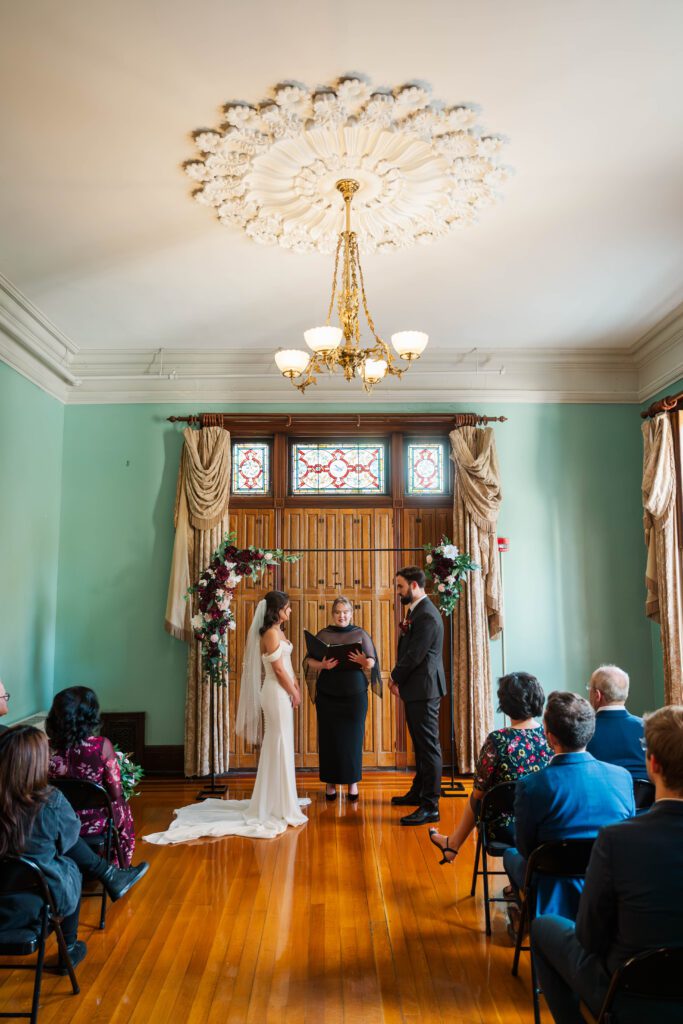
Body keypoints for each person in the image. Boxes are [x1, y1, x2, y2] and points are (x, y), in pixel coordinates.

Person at [532, 705, 683, 1024]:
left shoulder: (617, 840)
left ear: (652, 763)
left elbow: (588, 938)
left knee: (544, 927)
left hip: (630, 996)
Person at [144, 591, 310, 844]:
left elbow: (286, 665)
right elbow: (277, 669)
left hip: (283, 692)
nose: (290, 612)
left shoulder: (280, 631)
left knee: (282, 742)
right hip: (275, 693)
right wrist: (293, 692)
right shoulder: (271, 633)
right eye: (287, 608)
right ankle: (274, 803)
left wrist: (296, 687)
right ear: (276, 611)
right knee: (277, 742)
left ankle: (279, 798)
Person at [0, 726, 148, 973]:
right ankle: (67, 950)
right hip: (34, 907)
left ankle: (110, 875)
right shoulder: (49, 801)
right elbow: (69, 838)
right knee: (69, 865)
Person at [503, 691, 634, 925]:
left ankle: (526, 912)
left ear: (550, 737)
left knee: (510, 854)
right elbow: (626, 834)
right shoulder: (622, 777)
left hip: (551, 878)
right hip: (606, 876)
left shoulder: (531, 786)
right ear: (590, 731)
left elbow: (525, 848)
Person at [428, 671, 552, 863]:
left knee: (478, 795)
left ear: (505, 704)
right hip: (545, 825)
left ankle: (452, 845)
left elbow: (478, 792)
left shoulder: (498, 740)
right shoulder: (550, 737)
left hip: (505, 831)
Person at [46, 686, 136, 866]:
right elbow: (115, 793)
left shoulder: (44, 748)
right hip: (95, 821)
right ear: (89, 716)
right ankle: (117, 866)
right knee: (121, 805)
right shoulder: (102, 746)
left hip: (56, 819)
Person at [305, 596, 381, 801]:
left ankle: (352, 783)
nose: (342, 615)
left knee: (353, 740)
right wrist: (323, 665)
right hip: (328, 696)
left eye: (345, 612)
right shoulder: (324, 634)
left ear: (351, 614)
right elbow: (309, 660)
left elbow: (372, 663)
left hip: (354, 697)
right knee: (329, 739)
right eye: (338, 612)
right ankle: (330, 783)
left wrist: (364, 660)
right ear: (332, 614)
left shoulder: (360, 634)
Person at [389, 567, 446, 826]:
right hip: (417, 689)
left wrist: (394, 677)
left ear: (413, 586)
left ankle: (430, 805)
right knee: (421, 745)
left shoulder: (427, 616)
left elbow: (415, 655)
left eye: (400, 587)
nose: (398, 592)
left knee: (429, 747)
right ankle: (418, 792)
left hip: (424, 689)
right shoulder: (417, 612)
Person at [585, 665, 647, 782]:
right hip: (647, 799)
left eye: (590, 689)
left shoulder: (583, 730)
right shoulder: (649, 728)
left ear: (597, 695)